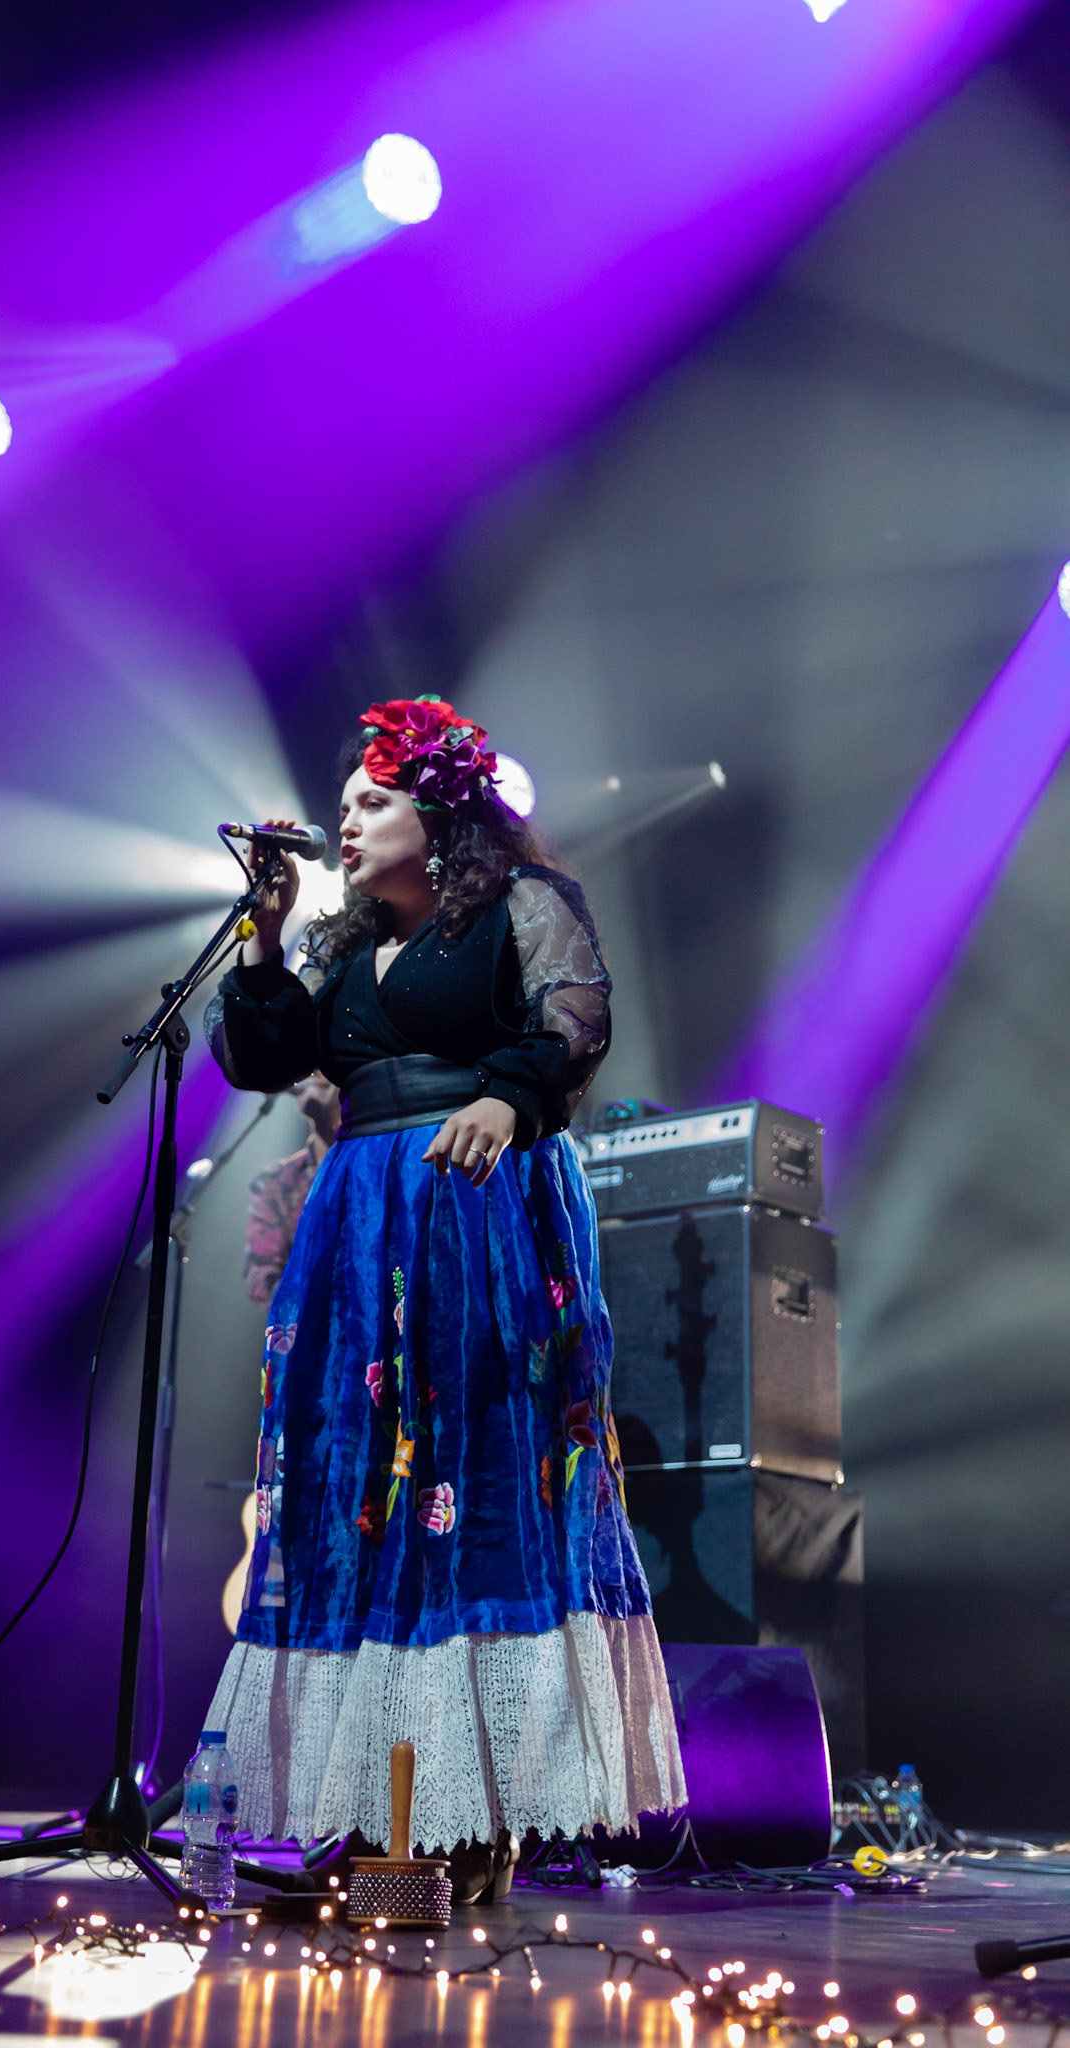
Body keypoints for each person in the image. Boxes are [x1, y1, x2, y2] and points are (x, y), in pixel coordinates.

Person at [203, 695, 684, 1900]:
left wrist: (509, 1098)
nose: (348, 821)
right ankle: (367, 1796)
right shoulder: (338, 945)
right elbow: (262, 1056)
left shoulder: (524, 907)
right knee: (354, 1479)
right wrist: (264, 937)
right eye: (348, 804)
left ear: (442, 816)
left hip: (471, 1203)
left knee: (466, 1476)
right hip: (361, 1213)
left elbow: (578, 1016)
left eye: (373, 800)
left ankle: (472, 1814)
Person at [243, 1073, 341, 1306]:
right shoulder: (275, 1181)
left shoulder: (380, 1166)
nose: (313, 1074)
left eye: (322, 1065)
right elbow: (260, 1279)